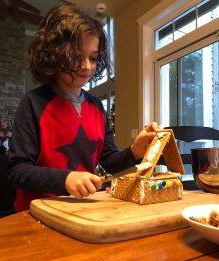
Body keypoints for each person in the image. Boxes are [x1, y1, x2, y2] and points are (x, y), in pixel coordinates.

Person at [8, 4, 158, 212]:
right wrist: (66, 179)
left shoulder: (96, 107)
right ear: (54, 54)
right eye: (77, 56)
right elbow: (18, 170)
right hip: (36, 212)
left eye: (93, 58)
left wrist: (135, 151)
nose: (87, 66)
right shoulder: (33, 103)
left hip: (81, 210)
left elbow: (110, 161)